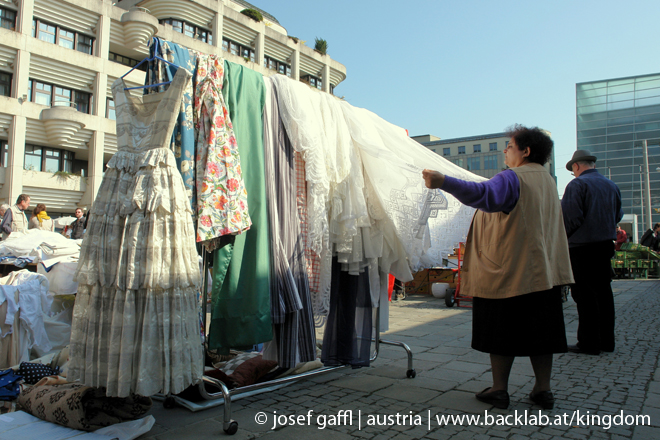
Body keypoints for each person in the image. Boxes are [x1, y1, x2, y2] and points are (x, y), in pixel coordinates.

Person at [422, 125, 574, 410]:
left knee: (501, 332)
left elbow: (484, 195)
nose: (505, 151)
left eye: (509, 146)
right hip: (545, 273)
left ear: (525, 151)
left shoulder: (513, 178)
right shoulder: (547, 181)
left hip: (510, 271)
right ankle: (543, 390)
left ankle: (499, 389)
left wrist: (443, 181)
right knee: (542, 334)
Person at [562, 149, 623, 356]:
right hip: (604, 246)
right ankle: (607, 341)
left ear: (576, 166)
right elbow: (618, 215)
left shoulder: (577, 185)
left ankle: (589, 342)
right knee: (604, 294)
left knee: (585, 296)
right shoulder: (611, 185)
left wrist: (560, 240)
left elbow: (570, 219)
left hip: (581, 248)